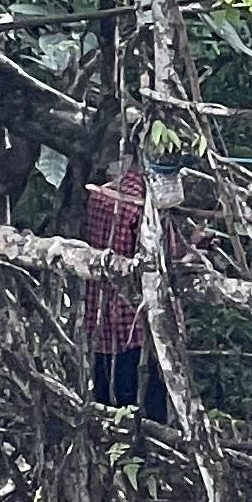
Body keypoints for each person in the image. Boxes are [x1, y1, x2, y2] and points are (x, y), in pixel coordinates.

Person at [79, 147, 169, 419]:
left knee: (108, 400)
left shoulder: (98, 196)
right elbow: (164, 255)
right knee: (147, 403)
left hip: (102, 317)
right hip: (138, 318)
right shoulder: (147, 202)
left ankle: (110, 451)